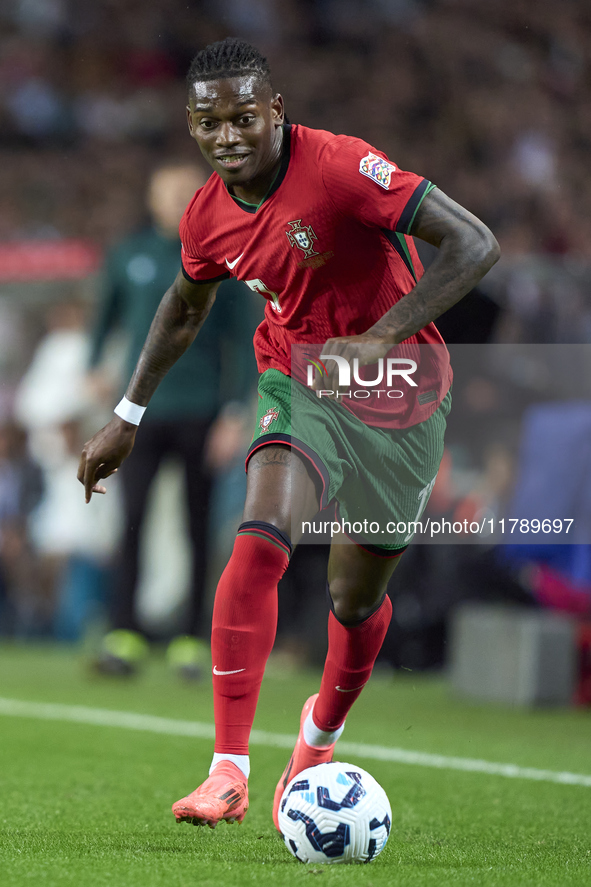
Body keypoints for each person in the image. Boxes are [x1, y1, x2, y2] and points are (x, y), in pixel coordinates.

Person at [78, 38, 499, 829]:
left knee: (353, 594)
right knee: (259, 539)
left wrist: (380, 335)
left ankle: (316, 739)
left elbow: (473, 243)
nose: (227, 136)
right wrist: (126, 414)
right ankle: (227, 771)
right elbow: (184, 305)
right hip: (297, 376)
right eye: (209, 123)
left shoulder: (340, 165)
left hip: (399, 390)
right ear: (193, 127)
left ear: (275, 110)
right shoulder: (205, 214)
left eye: (243, 117)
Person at [86, 162, 257, 675]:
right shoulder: (128, 254)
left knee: (198, 524)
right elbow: (103, 318)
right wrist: (93, 366)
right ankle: (124, 632)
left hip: (202, 408)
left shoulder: (224, 260)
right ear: (153, 199)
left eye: (188, 191)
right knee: (131, 519)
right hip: (138, 412)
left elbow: (244, 342)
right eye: (169, 192)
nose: (179, 199)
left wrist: (234, 412)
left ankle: (190, 638)